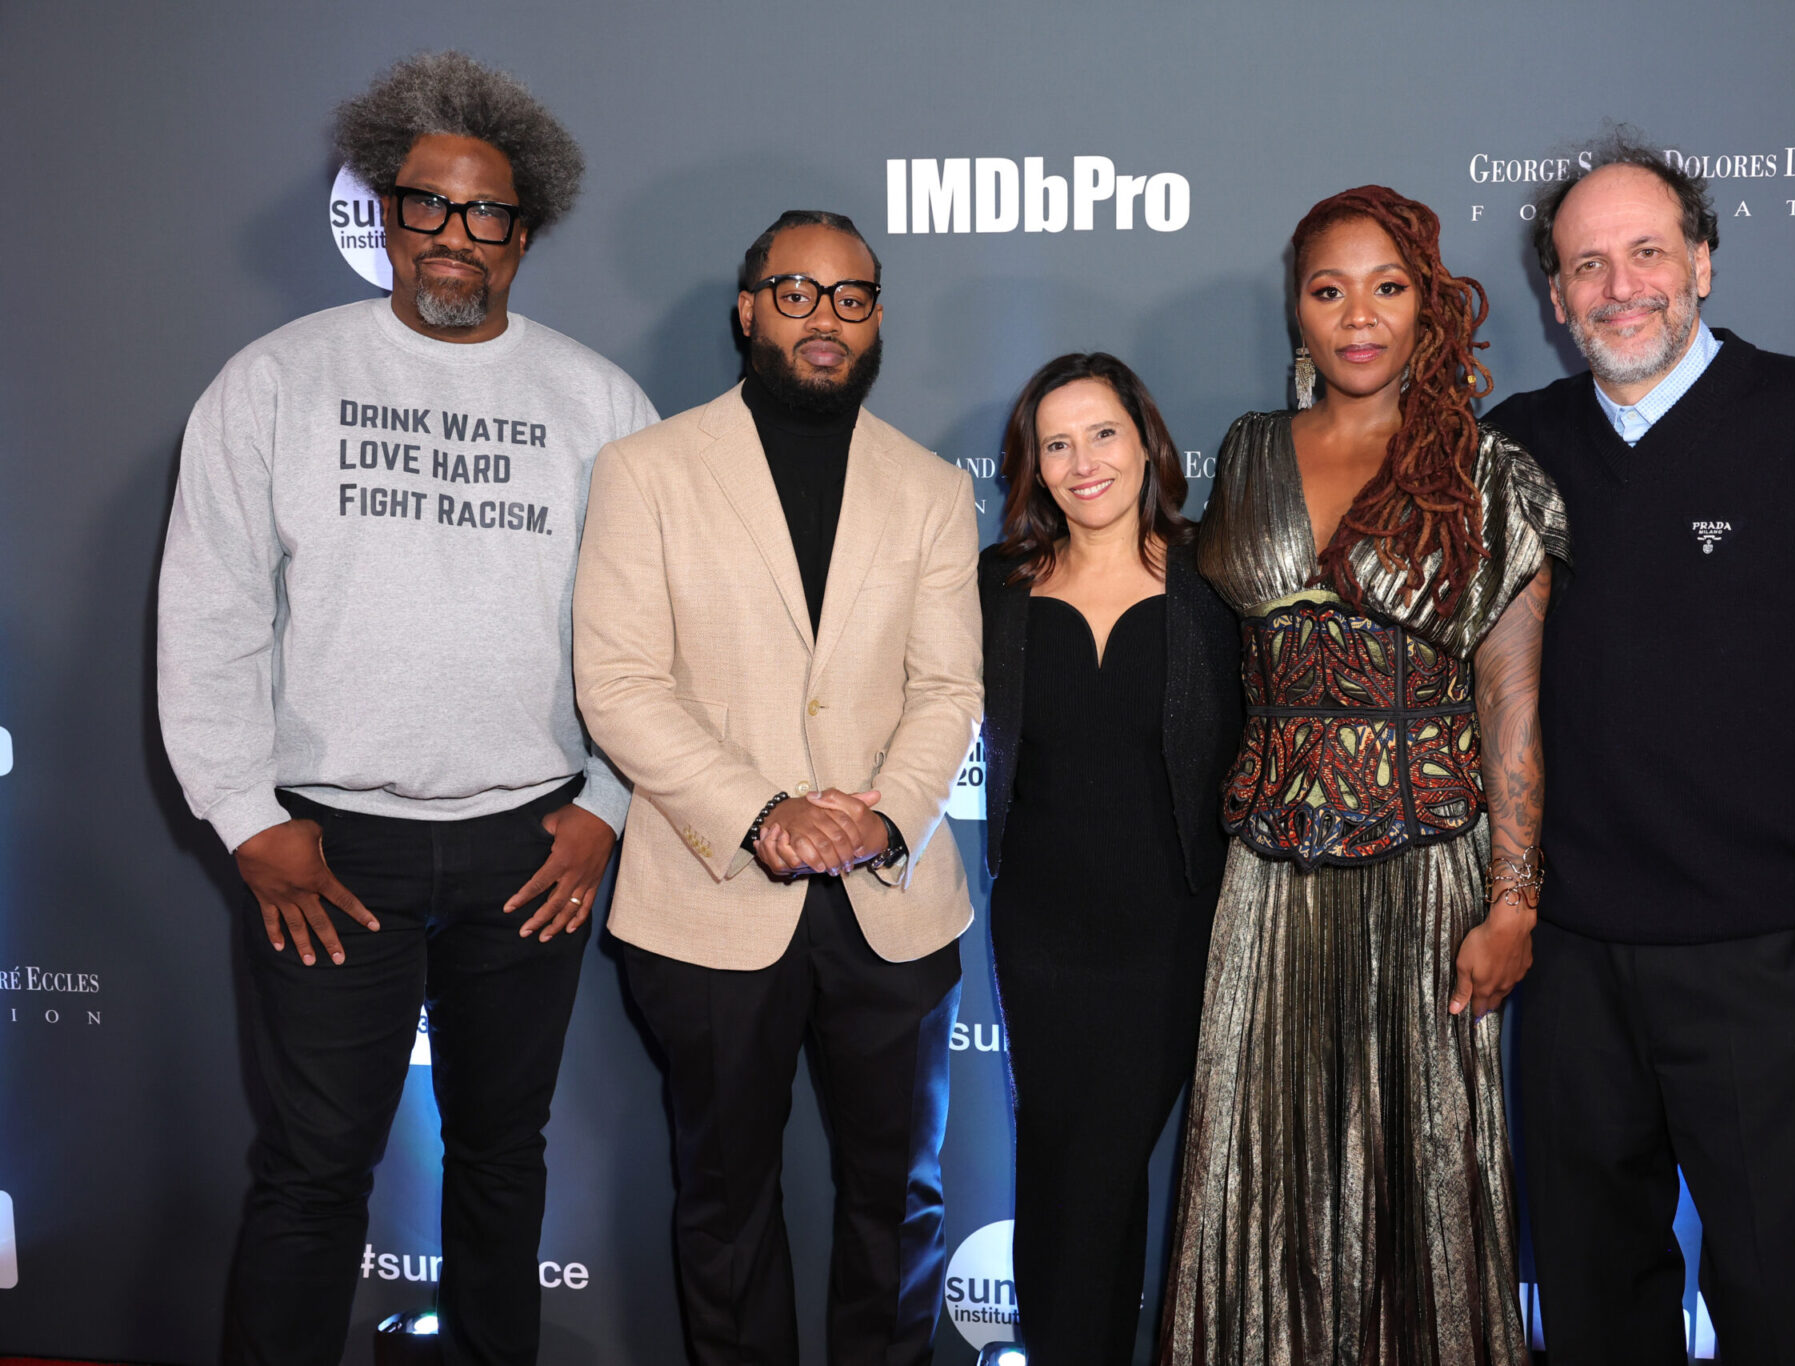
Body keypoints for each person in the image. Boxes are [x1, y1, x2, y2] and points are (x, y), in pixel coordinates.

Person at [156, 52, 657, 1366]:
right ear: (383, 215)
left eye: (484, 213)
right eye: (425, 205)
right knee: (315, 1169)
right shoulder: (274, 382)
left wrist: (606, 806)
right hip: (328, 850)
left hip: (530, 847)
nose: (453, 235)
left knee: (504, 1155)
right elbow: (209, 614)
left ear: (523, 234)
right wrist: (246, 817)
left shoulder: (600, 405)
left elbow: (647, 637)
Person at [1486, 135, 1795, 1366]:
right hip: (1569, 967)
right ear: (1553, 296)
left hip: (1766, 966)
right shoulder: (1513, 446)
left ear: (1702, 263)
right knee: (1589, 1315)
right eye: (1587, 264)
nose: (1619, 284)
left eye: (1647, 251)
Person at [1160, 186, 1567, 1366]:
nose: (1355, 315)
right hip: (1269, 876)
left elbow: (1511, 701)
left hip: (1429, 866)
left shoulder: (1489, 475)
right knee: (1257, 1169)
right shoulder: (1243, 453)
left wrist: (1512, 898)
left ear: (1427, 303)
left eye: (1385, 287)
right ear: (1295, 307)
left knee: (1422, 1188)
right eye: (1327, 288)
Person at [572, 210, 981, 1366]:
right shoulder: (645, 471)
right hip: (706, 905)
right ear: (747, 306)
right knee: (724, 1204)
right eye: (795, 292)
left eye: (851, 298)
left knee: (894, 1204)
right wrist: (763, 814)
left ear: (877, 321)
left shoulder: (931, 489)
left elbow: (948, 684)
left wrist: (882, 814)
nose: (824, 318)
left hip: (890, 907)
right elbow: (617, 679)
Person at [978, 353, 1241, 1364]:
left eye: (1101, 434)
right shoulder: (994, 586)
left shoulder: (1212, 582)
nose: (1082, 461)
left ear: (1145, 442)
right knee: (1057, 1162)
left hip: (1170, 931)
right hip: (1039, 934)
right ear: (1032, 466)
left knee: (1105, 1162)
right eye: (1055, 443)